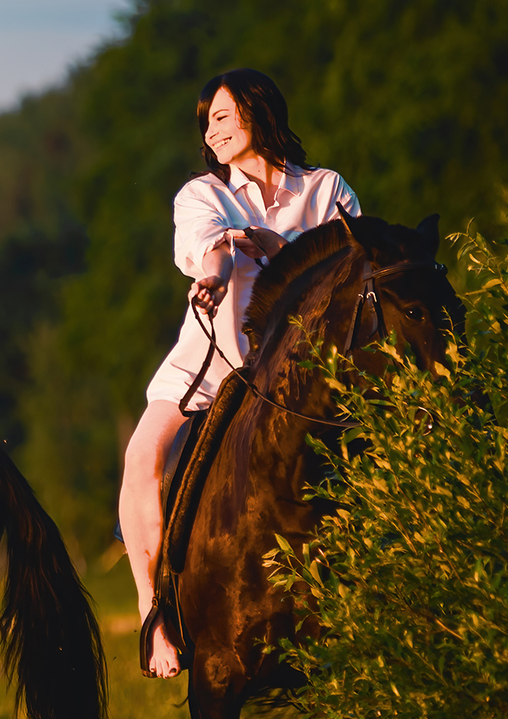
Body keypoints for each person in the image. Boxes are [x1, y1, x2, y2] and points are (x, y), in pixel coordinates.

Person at [119, 69, 360, 679]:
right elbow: (212, 248)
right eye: (207, 122)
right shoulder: (202, 194)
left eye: (222, 116)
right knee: (142, 454)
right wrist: (217, 272)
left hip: (307, 369)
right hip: (214, 358)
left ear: (258, 113)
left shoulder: (327, 188)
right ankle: (154, 615)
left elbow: (347, 263)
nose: (212, 130)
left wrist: (274, 245)